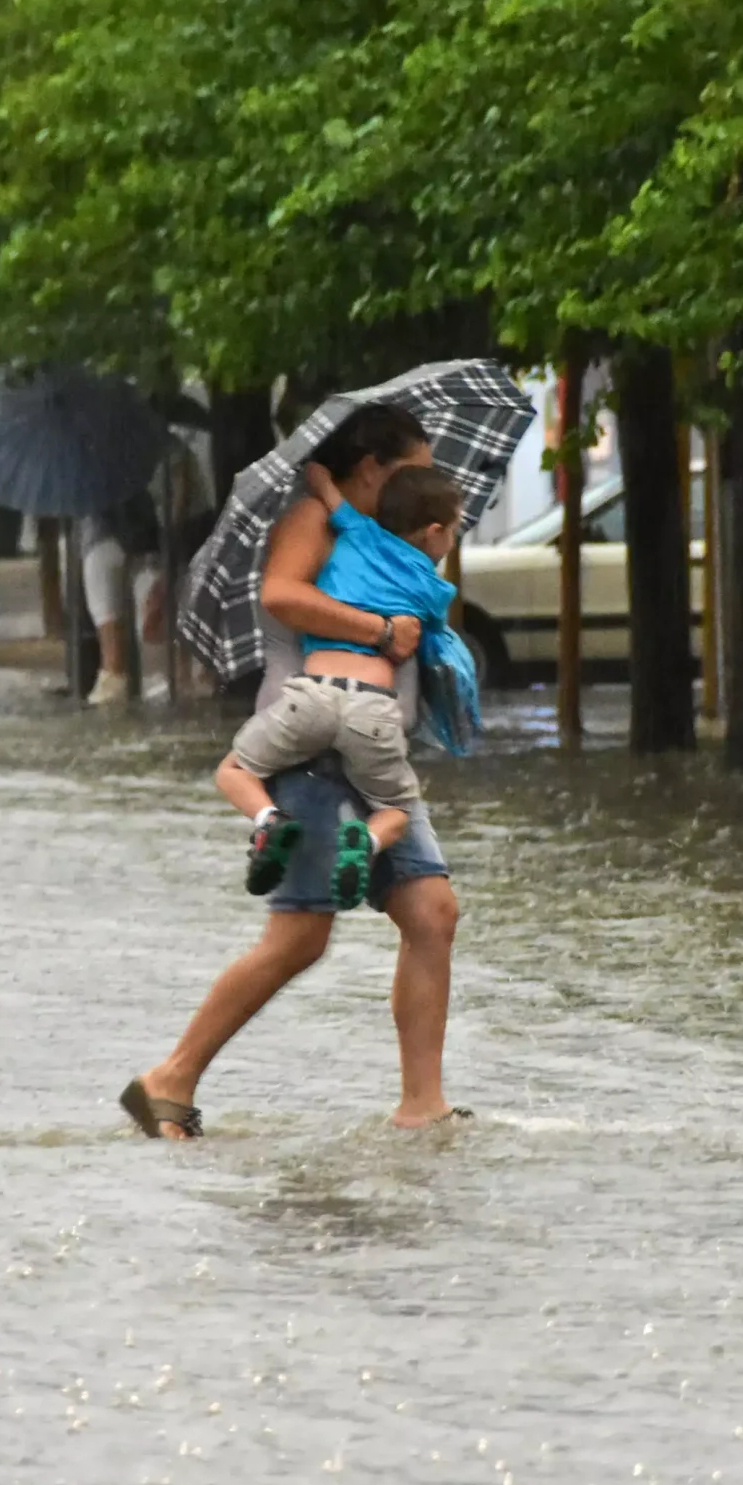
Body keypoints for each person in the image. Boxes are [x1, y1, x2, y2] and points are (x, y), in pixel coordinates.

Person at [120, 404, 463, 1139]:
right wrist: (382, 628)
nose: (424, 483)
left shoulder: (383, 538)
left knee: (432, 913)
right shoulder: (312, 519)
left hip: (375, 751)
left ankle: (422, 1106)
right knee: (299, 936)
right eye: (414, 469)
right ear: (369, 469)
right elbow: (283, 593)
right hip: (311, 753)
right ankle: (169, 1078)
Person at [215, 460, 470, 908]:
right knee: (396, 810)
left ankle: (269, 821)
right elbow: (428, 643)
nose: (454, 539)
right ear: (433, 533)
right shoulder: (433, 588)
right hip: (373, 710)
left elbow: (334, 502)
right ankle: (365, 841)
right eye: (455, 531)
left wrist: (320, 478)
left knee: (232, 770)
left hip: (311, 696)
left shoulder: (356, 535)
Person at [76, 491, 164, 704]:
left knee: (113, 658)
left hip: (100, 540)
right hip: (143, 541)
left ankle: (112, 700)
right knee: (152, 635)